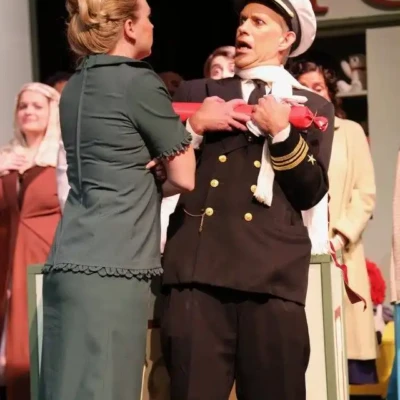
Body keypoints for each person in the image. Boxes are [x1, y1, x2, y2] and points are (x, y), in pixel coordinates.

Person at [160, 0, 335, 399]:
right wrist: (194, 127)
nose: (243, 29)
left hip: (273, 279)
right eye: (242, 20)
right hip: (199, 274)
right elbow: (157, 174)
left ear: (286, 40)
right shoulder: (198, 93)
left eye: (258, 22)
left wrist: (282, 133)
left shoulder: (311, 106)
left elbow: (311, 191)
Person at [38, 0, 196, 399]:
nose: (152, 25)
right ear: (128, 27)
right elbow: (185, 176)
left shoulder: (75, 85)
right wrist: (192, 130)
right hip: (113, 265)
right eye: (148, 17)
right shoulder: (137, 81)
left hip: (67, 261)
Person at [289, 58, 378, 384]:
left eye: (319, 87)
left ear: (330, 93)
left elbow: (364, 194)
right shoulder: (286, 135)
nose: (313, 94)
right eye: (304, 88)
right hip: (294, 256)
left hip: (339, 253)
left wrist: (338, 238)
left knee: (341, 359)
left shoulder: (349, 131)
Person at [0, 82, 62, 400]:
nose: (28, 111)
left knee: (45, 354)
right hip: (10, 267)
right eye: (23, 106)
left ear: (53, 112)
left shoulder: (63, 158)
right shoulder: (6, 158)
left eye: (37, 106)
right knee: (18, 356)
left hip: (48, 265)